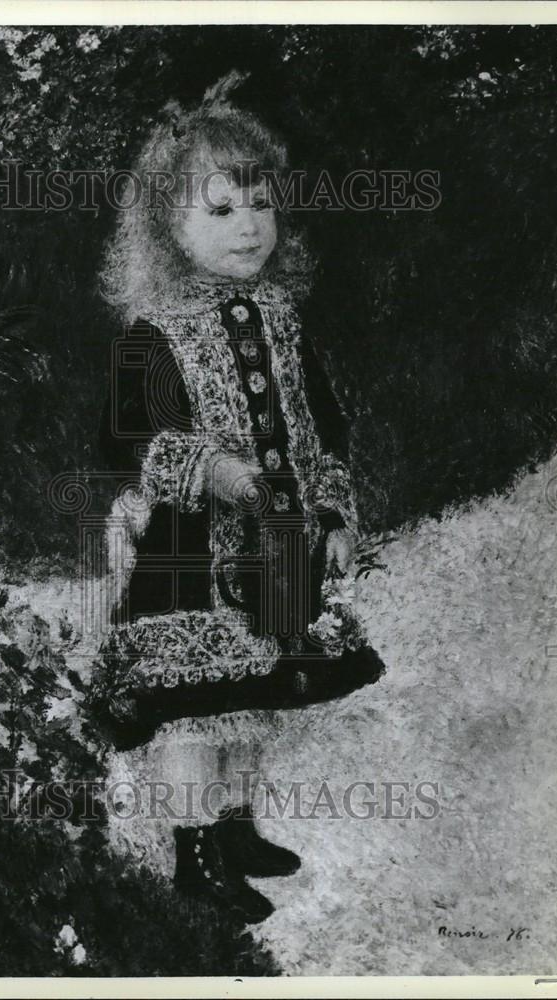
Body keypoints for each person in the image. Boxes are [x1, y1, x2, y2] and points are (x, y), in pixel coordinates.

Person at [88, 72, 385, 923]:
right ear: (167, 228)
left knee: (259, 690)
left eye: (259, 205)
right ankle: (193, 856)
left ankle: (235, 826)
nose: (248, 226)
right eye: (219, 211)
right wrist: (207, 470)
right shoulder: (157, 333)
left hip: (278, 539)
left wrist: (330, 514)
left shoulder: (284, 318)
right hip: (187, 552)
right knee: (194, 706)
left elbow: (321, 425)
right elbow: (127, 437)